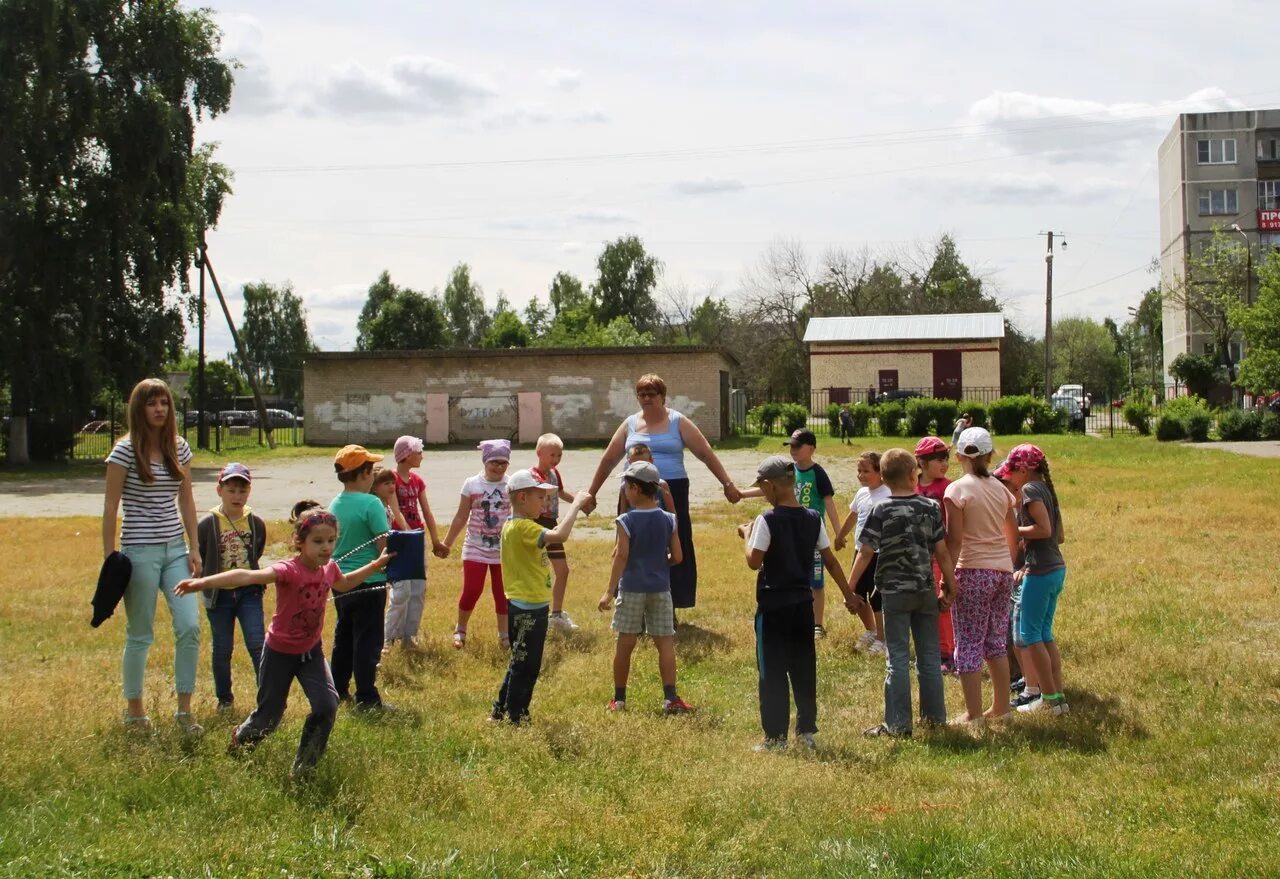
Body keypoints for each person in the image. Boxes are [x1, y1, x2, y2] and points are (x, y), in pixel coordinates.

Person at [175, 507, 393, 777]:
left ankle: (304, 767)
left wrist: (375, 565)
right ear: (300, 543)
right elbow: (247, 576)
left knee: (327, 704)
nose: (326, 548)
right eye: (317, 541)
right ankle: (241, 742)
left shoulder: (329, 568)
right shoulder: (289, 570)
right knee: (269, 716)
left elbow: (345, 583)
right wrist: (203, 582)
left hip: (311, 652)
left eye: (330, 540)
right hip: (279, 652)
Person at [585, 374, 742, 623]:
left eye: (652, 394)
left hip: (672, 490)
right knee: (631, 546)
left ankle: (670, 604)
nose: (647, 399)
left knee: (673, 544)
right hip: (634, 492)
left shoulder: (678, 422)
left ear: (662, 396)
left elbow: (706, 453)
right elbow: (608, 460)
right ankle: (631, 602)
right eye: (642, 394)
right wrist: (591, 493)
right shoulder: (630, 424)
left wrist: (727, 483)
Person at [102, 378, 203, 735]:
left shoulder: (179, 448)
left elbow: (187, 500)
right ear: (138, 409)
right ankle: (135, 713)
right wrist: (109, 558)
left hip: (176, 550)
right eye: (152, 403)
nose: (159, 409)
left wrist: (194, 547)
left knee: (190, 626)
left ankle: (184, 713)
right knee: (140, 634)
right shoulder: (124, 451)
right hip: (139, 552)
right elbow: (111, 506)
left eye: (164, 402)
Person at [739, 456, 860, 752]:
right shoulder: (812, 518)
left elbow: (754, 562)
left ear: (770, 486)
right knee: (804, 667)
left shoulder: (767, 520)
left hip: (773, 606)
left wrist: (746, 534)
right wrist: (848, 595)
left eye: (763, 488)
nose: (763, 493)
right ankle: (806, 730)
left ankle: (775, 737)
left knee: (772, 670)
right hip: (803, 605)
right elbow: (830, 561)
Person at [848, 449, 958, 738]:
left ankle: (897, 724)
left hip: (894, 593)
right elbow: (942, 551)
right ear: (914, 475)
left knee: (896, 657)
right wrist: (949, 583)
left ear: (883, 478)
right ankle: (935, 718)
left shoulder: (880, 510)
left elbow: (865, 552)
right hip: (924, 589)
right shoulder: (930, 507)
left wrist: (850, 587)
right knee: (930, 656)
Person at [489, 471, 591, 724]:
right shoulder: (523, 527)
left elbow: (548, 536)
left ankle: (500, 711)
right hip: (528, 610)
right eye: (540, 497)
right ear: (522, 497)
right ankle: (517, 717)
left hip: (524, 606)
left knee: (518, 661)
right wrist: (576, 505)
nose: (544, 503)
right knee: (527, 666)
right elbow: (561, 537)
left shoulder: (515, 526)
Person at [597, 460, 692, 714]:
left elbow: (622, 556)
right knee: (665, 644)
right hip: (660, 588)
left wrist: (609, 590)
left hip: (631, 590)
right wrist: (660, 565)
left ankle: (619, 700)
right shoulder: (670, 519)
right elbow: (678, 557)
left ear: (635, 489)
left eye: (626, 487)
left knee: (625, 643)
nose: (625, 491)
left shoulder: (626, 520)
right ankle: (671, 698)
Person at [943, 427, 1019, 727]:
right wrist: (1006, 565)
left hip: (972, 571)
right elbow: (1013, 536)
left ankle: (973, 714)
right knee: (995, 642)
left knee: (969, 643)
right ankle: (1002, 708)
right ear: (990, 455)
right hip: (1002, 573)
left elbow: (954, 540)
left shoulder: (957, 490)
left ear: (959, 455)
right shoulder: (1001, 489)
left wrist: (947, 577)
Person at [741, 429, 842, 639]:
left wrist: (838, 532)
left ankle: (817, 624)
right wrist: (742, 494)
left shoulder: (817, 473)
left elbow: (828, 502)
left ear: (812, 448)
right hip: (788, 531)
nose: (793, 450)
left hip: (811, 535)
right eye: (791, 446)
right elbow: (766, 487)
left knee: (816, 580)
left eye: (798, 446)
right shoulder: (789, 471)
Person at [994, 445, 1069, 716]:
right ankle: (1057, 697)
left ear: (1023, 470)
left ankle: (1048, 698)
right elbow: (1056, 533)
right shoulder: (1043, 488)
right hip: (1054, 569)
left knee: (1030, 635)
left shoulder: (1029, 490)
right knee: (1044, 634)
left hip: (1040, 571)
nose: (1010, 476)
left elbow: (1045, 529)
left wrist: (1011, 530)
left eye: (1012, 471)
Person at [197, 462, 267, 712]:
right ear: (220, 491)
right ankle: (224, 699)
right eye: (231, 490)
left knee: (258, 643)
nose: (237, 496)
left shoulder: (255, 522)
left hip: (249, 591)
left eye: (242, 490)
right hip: (219, 595)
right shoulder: (208, 523)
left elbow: (257, 551)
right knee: (222, 648)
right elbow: (203, 554)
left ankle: (267, 697)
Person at [328, 445, 392, 711]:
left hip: (342, 582)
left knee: (344, 636)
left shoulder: (335, 503)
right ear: (365, 474)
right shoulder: (371, 503)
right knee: (368, 640)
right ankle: (367, 697)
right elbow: (383, 543)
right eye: (372, 470)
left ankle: (337, 689)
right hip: (369, 581)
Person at [441, 439, 512, 649]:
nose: (499, 467)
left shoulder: (512, 484)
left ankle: (504, 634)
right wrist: (447, 543)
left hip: (503, 550)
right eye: (494, 462)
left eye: (503, 463)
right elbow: (461, 517)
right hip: (475, 548)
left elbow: (518, 515)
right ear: (485, 461)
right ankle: (460, 629)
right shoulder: (472, 484)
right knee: (472, 590)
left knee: (503, 593)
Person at [387, 436, 443, 652]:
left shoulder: (417, 481)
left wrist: (436, 540)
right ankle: (390, 637)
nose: (422, 456)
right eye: (419, 452)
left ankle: (410, 636)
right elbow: (395, 509)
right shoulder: (391, 479)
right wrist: (407, 534)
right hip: (401, 540)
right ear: (407, 455)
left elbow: (426, 511)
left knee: (418, 589)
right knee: (401, 591)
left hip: (416, 539)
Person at [834, 451, 890, 655]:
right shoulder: (862, 493)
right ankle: (871, 630)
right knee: (857, 593)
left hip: (878, 553)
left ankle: (883, 639)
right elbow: (853, 515)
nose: (861, 475)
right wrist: (840, 535)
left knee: (877, 598)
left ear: (881, 472)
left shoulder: (887, 493)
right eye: (859, 471)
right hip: (860, 551)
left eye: (866, 471)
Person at [914, 436, 956, 673]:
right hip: (917, 556)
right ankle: (928, 649)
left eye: (946, 459)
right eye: (939, 460)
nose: (944, 464)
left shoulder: (948, 487)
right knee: (922, 603)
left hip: (940, 555)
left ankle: (947, 652)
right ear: (922, 462)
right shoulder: (912, 486)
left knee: (942, 603)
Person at [530, 433, 579, 634]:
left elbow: (559, 491)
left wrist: (579, 502)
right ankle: (533, 614)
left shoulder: (554, 472)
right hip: (535, 524)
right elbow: (542, 493)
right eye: (552, 455)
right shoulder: (531, 476)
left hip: (551, 525)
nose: (556, 460)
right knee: (536, 572)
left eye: (559, 455)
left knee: (562, 570)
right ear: (538, 453)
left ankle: (556, 614)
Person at [616, 443, 676, 514]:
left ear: (651, 461)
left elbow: (672, 512)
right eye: (636, 464)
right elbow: (622, 512)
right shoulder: (626, 486)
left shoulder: (661, 485)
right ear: (629, 462)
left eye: (644, 463)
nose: (640, 467)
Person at [371, 466, 409, 531]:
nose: (391, 486)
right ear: (374, 488)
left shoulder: (387, 507)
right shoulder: (376, 507)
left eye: (393, 483)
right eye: (386, 484)